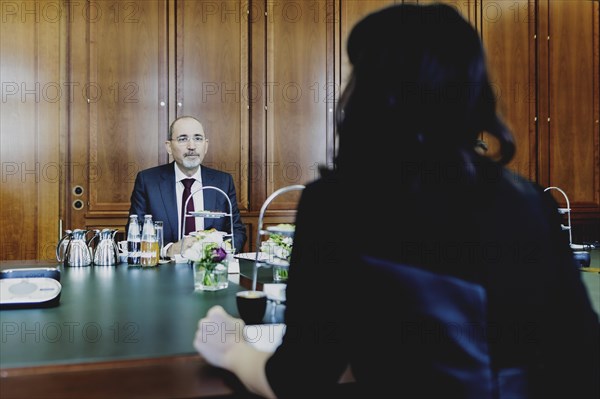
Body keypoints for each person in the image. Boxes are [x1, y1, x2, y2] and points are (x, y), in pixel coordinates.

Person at [193, 4, 599, 398]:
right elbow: (582, 356)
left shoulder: (336, 205)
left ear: (368, 91)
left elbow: (299, 378)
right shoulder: (528, 200)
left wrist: (230, 346)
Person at [128, 116, 246, 256]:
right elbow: (136, 230)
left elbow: (237, 230)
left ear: (206, 145)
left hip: (210, 268)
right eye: (183, 139)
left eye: (198, 138)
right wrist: (168, 250)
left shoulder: (223, 182)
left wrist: (219, 252)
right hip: (165, 271)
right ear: (169, 147)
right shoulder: (148, 181)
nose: (192, 146)